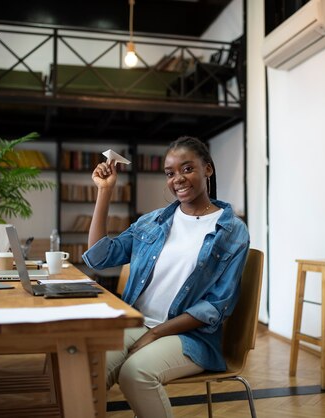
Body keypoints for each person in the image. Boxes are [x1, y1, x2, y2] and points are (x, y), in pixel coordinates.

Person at [82, 136, 250, 417]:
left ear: (207, 169)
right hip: (137, 322)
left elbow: (216, 306)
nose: (178, 179)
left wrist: (156, 333)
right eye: (170, 173)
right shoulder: (153, 221)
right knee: (88, 370)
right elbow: (99, 258)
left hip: (190, 336)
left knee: (136, 373)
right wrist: (105, 192)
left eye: (187, 169)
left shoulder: (231, 230)